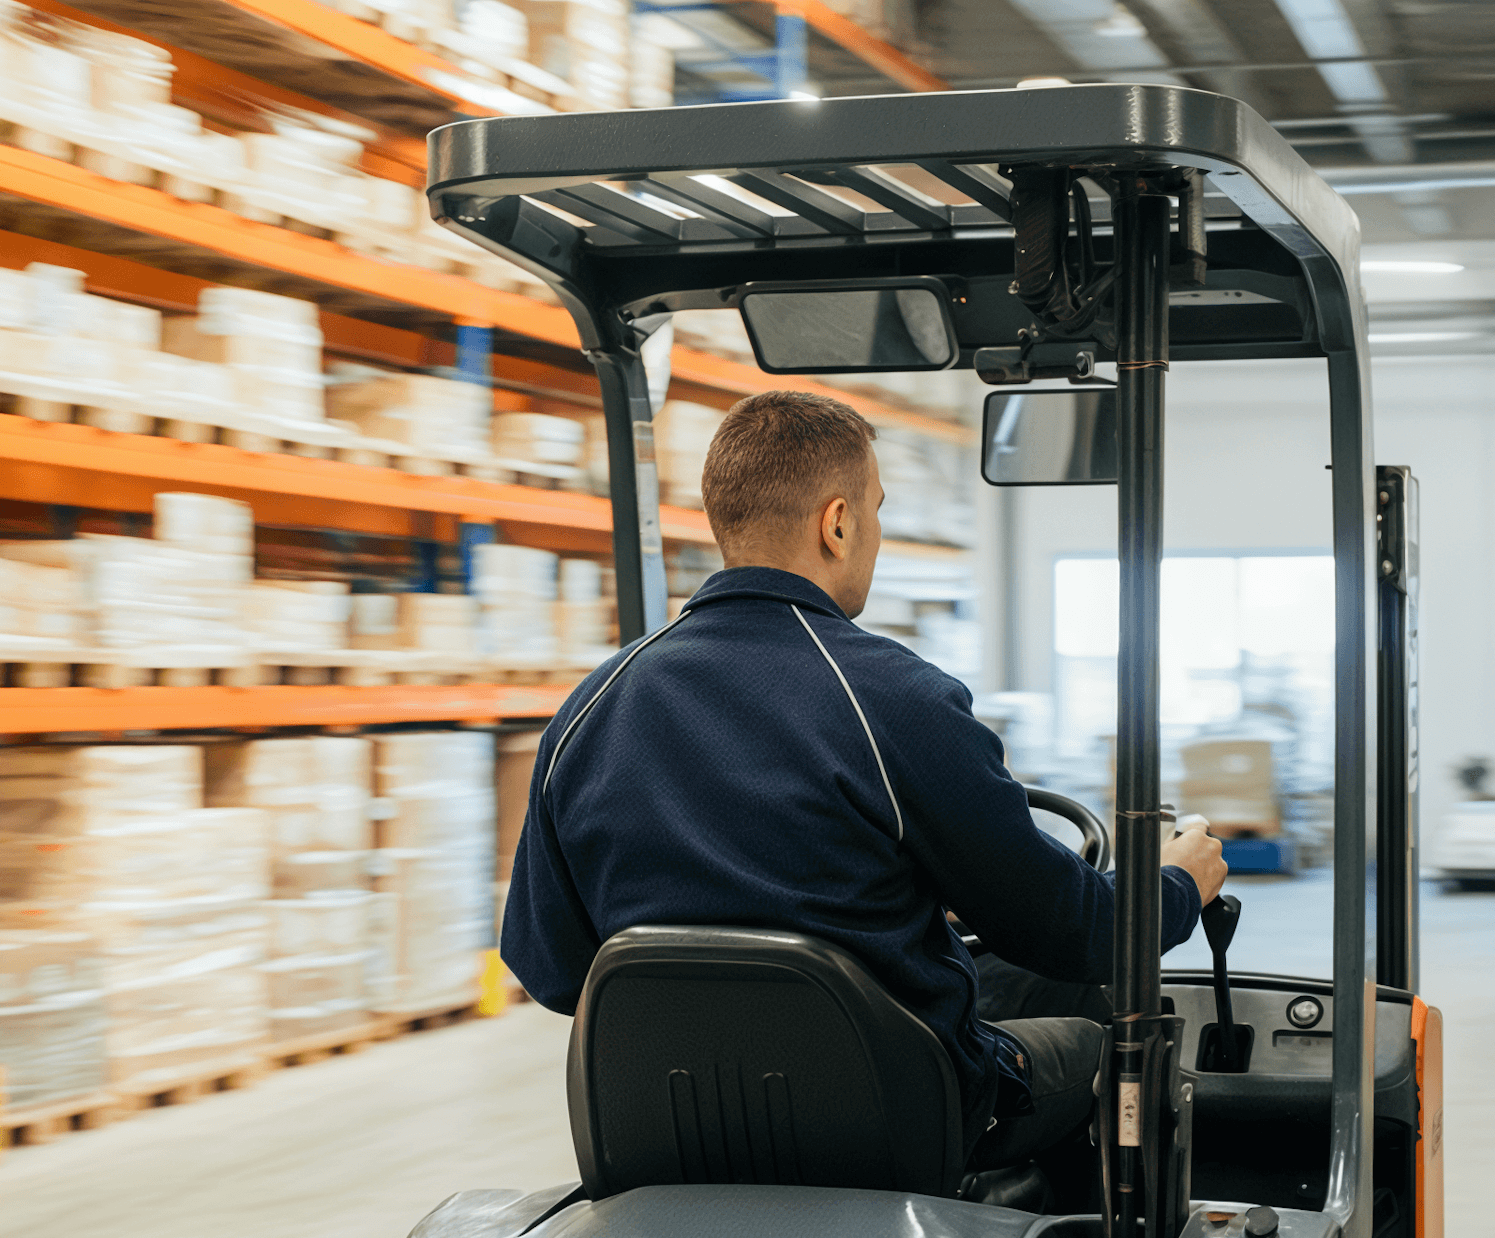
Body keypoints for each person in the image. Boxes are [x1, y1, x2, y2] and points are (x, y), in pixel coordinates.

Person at [502, 388, 1226, 1176]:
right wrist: (1179, 884)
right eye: (875, 512)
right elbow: (1076, 928)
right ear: (838, 523)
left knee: (1002, 971)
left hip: (658, 1128)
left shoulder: (590, 708)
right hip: (892, 1124)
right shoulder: (896, 699)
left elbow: (553, 969)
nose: (873, 535)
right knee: (1097, 1033)